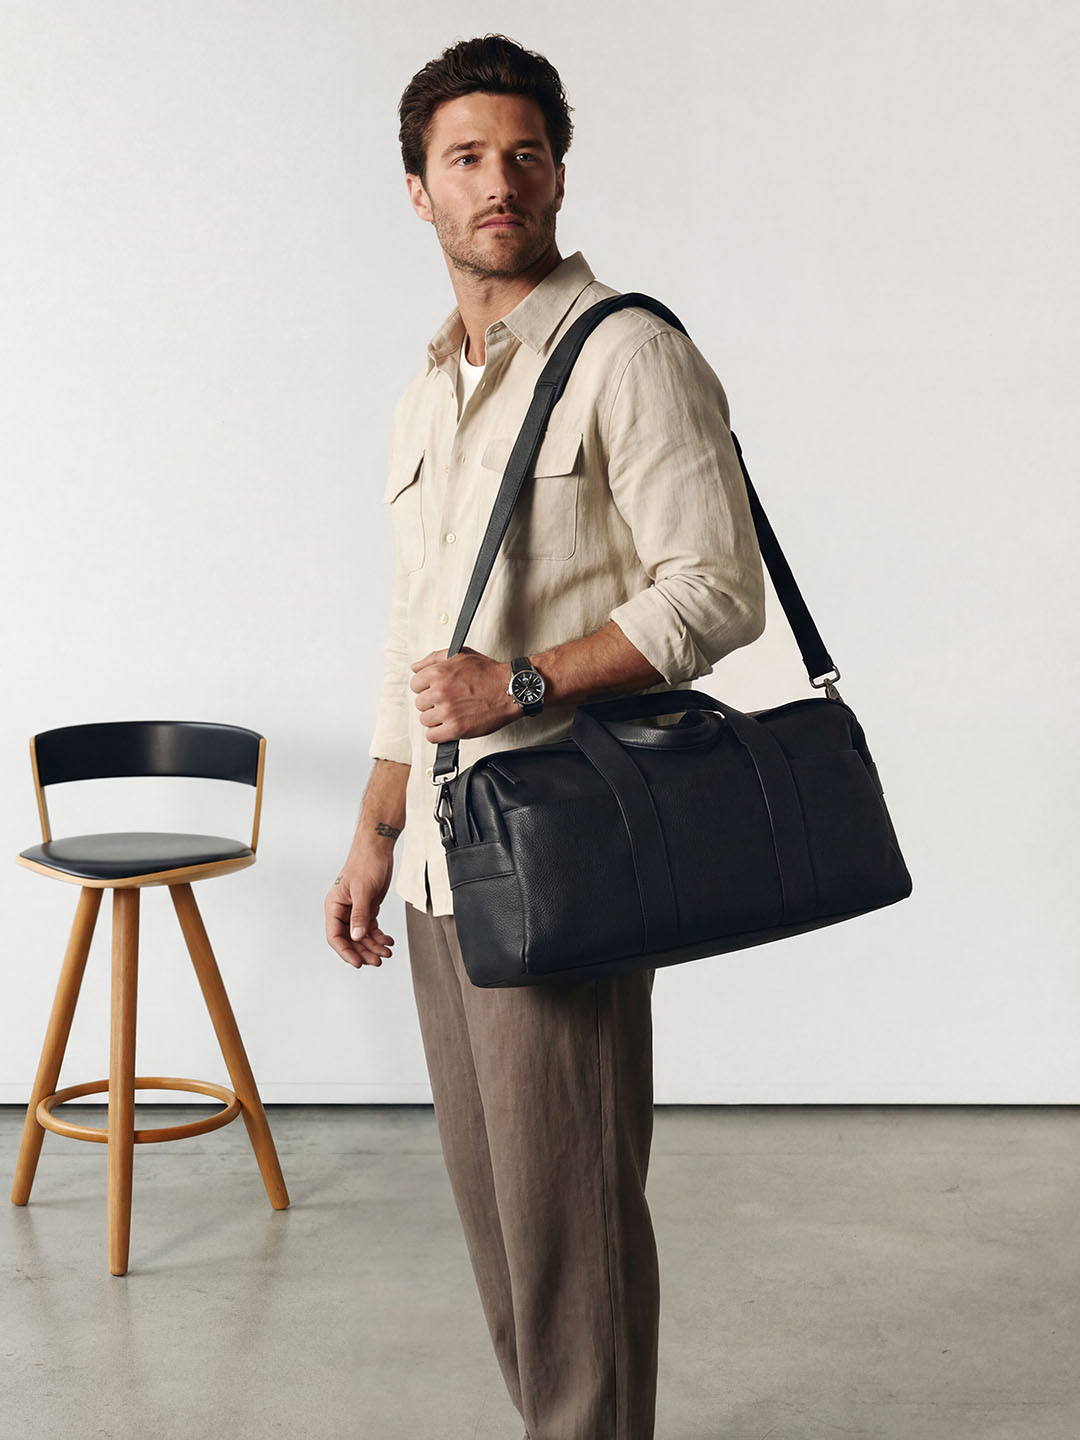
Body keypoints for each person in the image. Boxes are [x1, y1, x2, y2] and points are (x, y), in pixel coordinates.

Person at [325, 33, 766, 1440]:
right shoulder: (429, 392)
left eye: (523, 153)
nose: (497, 181)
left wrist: (520, 685)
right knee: (506, 1235)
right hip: (441, 860)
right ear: (420, 191)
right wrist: (375, 827)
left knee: (570, 1224)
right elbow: (415, 633)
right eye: (465, 158)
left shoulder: (629, 355)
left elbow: (715, 591)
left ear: (560, 174)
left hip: (568, 848)